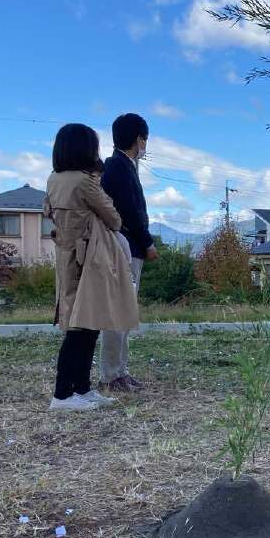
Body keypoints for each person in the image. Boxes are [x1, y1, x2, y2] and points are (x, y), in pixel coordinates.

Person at [45, 123, 139, 411]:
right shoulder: (85, 182)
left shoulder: (54, 179)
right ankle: (63, 395)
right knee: (84, 327)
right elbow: (113, 217)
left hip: (67, 255)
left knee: (80, 325)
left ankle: (81, 390)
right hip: (90, 258)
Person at [98, 113, 157, 392]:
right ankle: (111, 375)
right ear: (138, 139)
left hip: (128, 247)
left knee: (124, 313)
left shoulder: (124, 165)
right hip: (124, 248)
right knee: (117, 314)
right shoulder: (118, 167)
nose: (145, 145)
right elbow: (131, 212)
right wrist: (147, 242)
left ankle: (119, 370)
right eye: (145, 139)